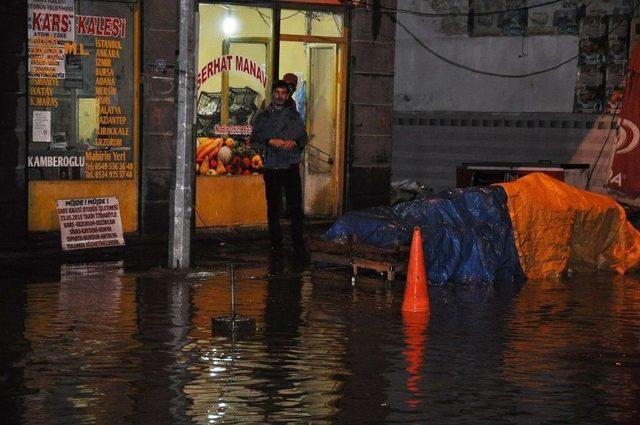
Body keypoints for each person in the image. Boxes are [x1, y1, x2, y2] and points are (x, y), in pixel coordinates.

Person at [251, 80, 309, 263]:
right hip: (271, 167)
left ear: (288, 95)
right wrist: (269, 142)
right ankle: (276, 243)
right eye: (277, 92)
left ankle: (297, 243)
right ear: (272, 94)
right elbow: (255, 140)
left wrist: (295, 143)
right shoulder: (262, 116)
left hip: (290, 166)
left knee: (295, 207)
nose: (280, 96)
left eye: (284, 93)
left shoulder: (294, 116)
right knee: (273, 207)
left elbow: (303, 138)